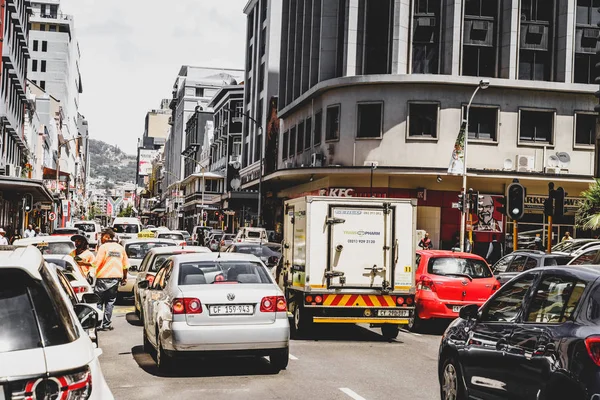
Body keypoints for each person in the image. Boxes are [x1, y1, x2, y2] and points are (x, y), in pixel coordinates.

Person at [93, 228, 129, 331]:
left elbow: (96, 263)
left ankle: (98, 324)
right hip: (115, 279)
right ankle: (106, 325)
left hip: (102, 278)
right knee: (110, 302)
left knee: (99, 302)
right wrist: (124, 278)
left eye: (102, 236)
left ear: (107, 237)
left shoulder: (103, 247)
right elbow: (125, 265)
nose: (101, 239)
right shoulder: (120, 248)